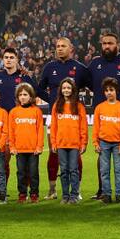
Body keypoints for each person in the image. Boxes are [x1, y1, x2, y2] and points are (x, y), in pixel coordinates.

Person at [87, 32, 120, 199]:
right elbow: (88, 83)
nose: (107, 46)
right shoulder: (95, 64)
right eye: (104, 43)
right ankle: (103, 190)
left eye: (110, 43)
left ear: (118, 44)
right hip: (102, 115)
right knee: (102, 154)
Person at [39, 38, 92, 200]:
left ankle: (77, 189)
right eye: (57, 46)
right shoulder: (49, 67)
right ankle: (52, 189)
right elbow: (39, 89)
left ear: (71, 49)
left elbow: (91, 87)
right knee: (54, 153)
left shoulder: (80, 69)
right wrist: (53, 101)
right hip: (55, 116)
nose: (60, 49)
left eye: (63, 46)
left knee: (76, 156)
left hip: (72, 116)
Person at [49, 77, 87, 204]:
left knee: (74, 170)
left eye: (68, 88)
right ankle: (65, 196)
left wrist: (83, 143)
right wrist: (53, 143)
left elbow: (83, 127)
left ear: (73, 90)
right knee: (64, 171)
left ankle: (74, 195)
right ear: (61, 90)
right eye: (64, 88)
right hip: (61, 144)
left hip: (75, 144)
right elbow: (53, 126)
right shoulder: (56, 106)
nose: (66, 90)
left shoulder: (79, 106)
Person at [93, 78, 120, 204]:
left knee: (119, 169)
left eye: (111, 90)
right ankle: (107, 195)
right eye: (107, 90)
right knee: (104, 170)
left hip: (118, 143)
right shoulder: (99, 108)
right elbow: (96, 127)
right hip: (103, 142)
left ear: (116, 91)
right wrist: (95, 143)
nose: (109, 92)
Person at [8, 83, 43, 203]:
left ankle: (34, 194)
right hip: (19, 149)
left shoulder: (37, 111)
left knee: (33, 173)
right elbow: (11, 131)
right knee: (21, 173)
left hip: (33, 149)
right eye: (20, 95)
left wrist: (39, 146)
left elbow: (40, 131)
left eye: (25, 94)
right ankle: (22, 194)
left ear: (31, 96)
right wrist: (12, 146)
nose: (22, 97)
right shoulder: (13, 112)